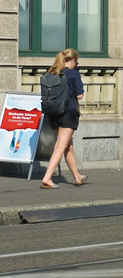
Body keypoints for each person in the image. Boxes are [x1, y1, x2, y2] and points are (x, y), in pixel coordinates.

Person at [39, 48, 87, 189]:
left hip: (53, 113)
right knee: (61, 145)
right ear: (72, 60)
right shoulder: (73, 74)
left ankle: (77, 177)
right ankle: (47, 177)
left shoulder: (51, 73)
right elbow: (79, 95)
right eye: (76, 62)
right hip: (67, 112)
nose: (75, 65)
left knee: (68, 147)